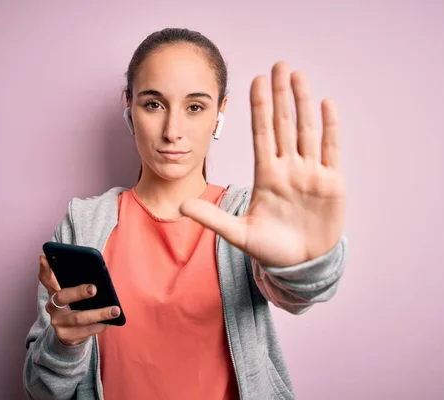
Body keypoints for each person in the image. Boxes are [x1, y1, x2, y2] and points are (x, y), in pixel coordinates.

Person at [23, 27, 348, 400]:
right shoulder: (82, 225)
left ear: (219, 112)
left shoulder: (247, 217)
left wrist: (309, 262)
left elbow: (297, 293)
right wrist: (64, 346)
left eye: (195, 107)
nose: (172, 131)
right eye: (153, 104)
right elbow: (42, 390)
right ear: (129, 105)